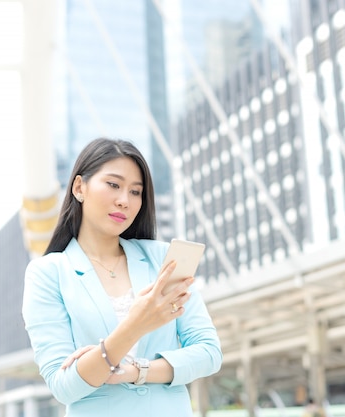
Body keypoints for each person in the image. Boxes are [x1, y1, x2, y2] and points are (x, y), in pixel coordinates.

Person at [22, 138, 223, 416]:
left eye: (136, 192)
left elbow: (209, 353)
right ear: (79, 187)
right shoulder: (48, 274)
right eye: (113, 185)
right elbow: (63, 385)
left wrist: (133, 371)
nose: (124, 201)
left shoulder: (163, 259)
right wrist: (135, 325)